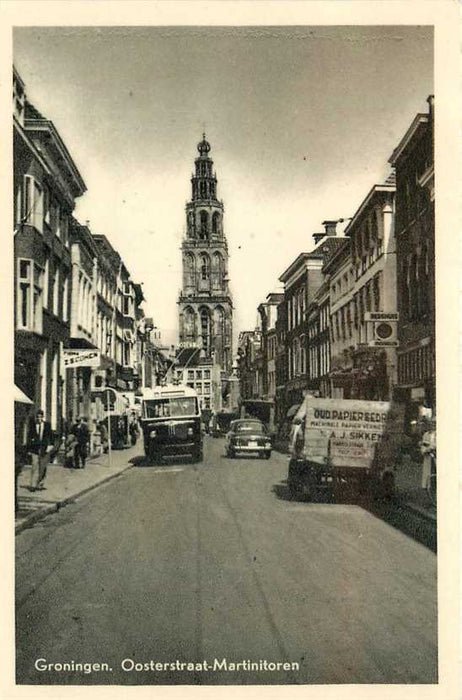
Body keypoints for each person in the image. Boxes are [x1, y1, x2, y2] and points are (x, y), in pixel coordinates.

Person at [27, 409, 53, 490]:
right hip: (34, 449)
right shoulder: (33, 426)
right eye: (37, 417)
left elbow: (51, 436)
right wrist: (29, 450)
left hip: (44, 449)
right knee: (34, 466)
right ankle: (32, 485)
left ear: (42, 417)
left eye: (40, 417)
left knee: (42, 467)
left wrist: (50, 445)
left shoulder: (47, 425)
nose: (38, 419)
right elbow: (29, 437)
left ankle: (40, 484)